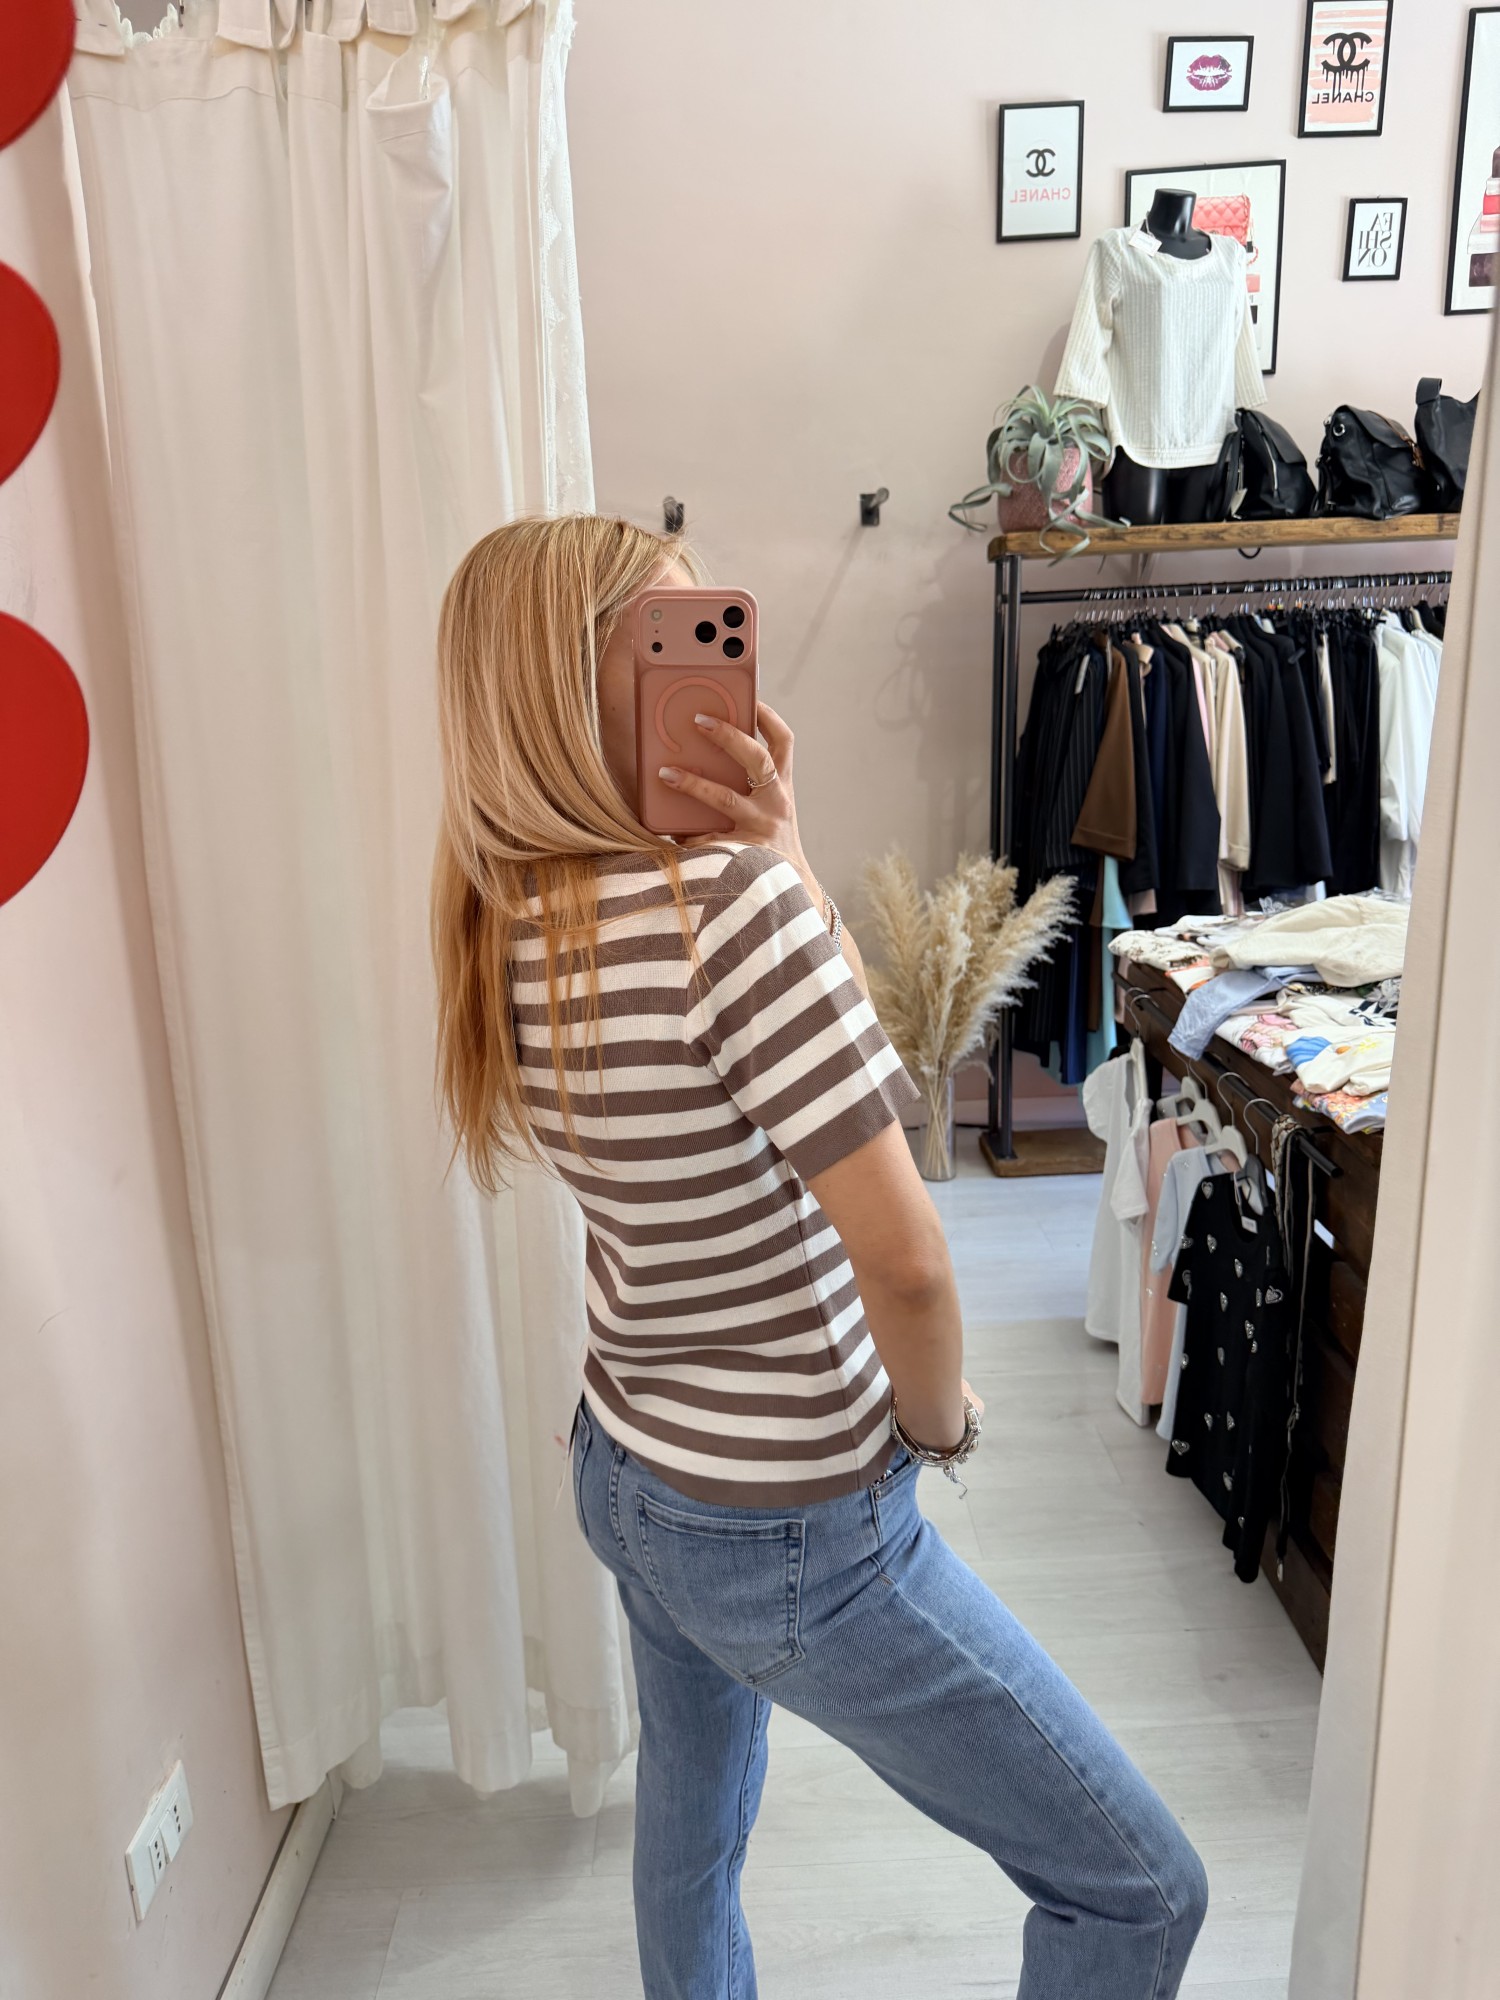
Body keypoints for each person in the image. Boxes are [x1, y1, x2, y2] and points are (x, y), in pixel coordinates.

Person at [431, 513, 1208, 1999]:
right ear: (576, 684)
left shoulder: (509, 920)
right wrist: (941, 1427)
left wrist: (782, 855)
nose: (716, 667)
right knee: (1141, 1891)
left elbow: (820, 1073)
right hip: (790, 1518)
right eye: (672, 638)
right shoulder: (723, 917)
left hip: (630, 1463)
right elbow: (907, 1260)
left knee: (691, 1837)